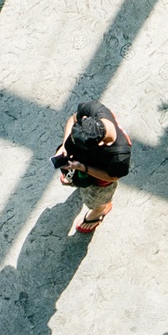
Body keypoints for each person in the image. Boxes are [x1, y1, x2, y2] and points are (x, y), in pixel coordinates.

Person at [54, 99, 131, 234]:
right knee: (77, 178)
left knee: (96, 200)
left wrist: (83, 168)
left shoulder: (119, 158)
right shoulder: (93, 110)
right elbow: (73, 118)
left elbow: (112, 177)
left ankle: (100, 210)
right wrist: (65, 146)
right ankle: (77, 179)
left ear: (99, 145)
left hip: (101, 181)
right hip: (84, 165)